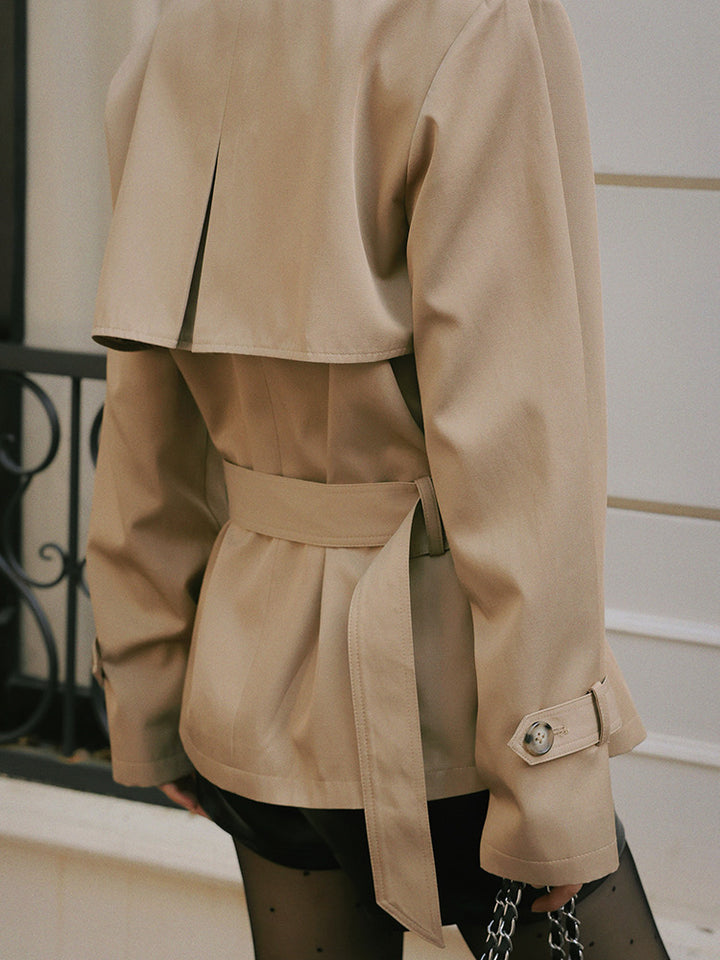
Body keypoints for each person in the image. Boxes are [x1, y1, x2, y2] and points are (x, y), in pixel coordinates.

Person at [86, 0, 670, 956]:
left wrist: (148, 683)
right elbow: (516, 441)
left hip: (247, 692)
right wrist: (551, 769)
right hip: (443, 708)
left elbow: (145, 415)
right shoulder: (474, 22)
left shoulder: (179, 32)